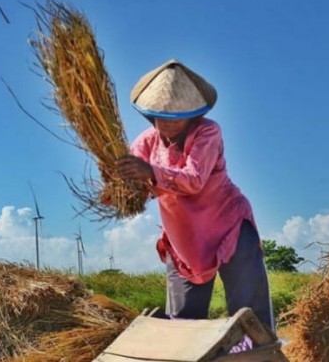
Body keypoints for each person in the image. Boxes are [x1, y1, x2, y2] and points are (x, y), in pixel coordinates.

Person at [115, 59, 275, 332]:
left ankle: (256, 355)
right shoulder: (146, 142)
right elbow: (134, 183)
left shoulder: (207, 132)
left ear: (192, 116)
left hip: (228, 227)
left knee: (248, 310)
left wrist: (148, 171)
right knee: (182, 320)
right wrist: (118, 185)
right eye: (159, 117)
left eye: (174, 119)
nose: (165, 125)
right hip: (184, 238)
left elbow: (194, 180)